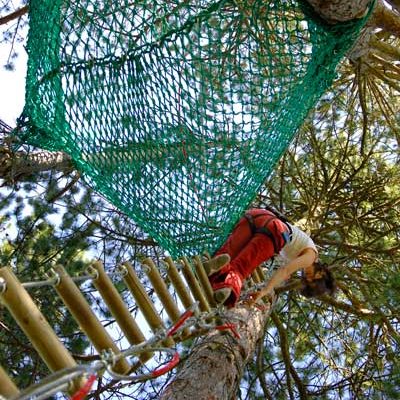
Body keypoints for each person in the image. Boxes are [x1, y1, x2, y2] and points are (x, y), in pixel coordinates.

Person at [203, 208, 335, 307]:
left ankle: (212, 270)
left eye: (307, 280)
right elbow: (285, 271)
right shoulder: (311, 257)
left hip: (257, 216)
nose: (306, 277)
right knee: (241, 268)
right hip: (276, 231)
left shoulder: (303, 247)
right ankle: (228, 291)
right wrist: (265, 291)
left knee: (228, 255)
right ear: (320, 274)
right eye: (311, 278)